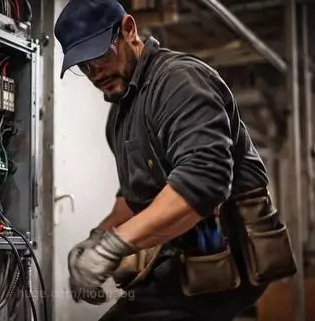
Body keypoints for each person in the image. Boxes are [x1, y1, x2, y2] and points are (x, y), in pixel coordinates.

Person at [54, 0, 296, 320]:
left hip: (223, 261)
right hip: (179, 262)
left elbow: (202, 185)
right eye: (84, 66)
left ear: (129, 30)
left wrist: (112, 246)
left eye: (100, 56)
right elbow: (132, 197)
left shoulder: (179, 81)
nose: (94, 73)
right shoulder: (122, 111)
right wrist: (96, 239)